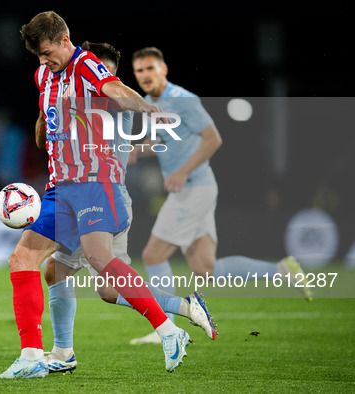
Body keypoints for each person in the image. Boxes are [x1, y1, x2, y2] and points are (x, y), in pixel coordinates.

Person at [0, 12, 190, 379]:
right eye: (38, 55)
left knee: (101, 263)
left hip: (96, 182)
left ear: (65, 39)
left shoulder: (86, 64)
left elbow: (115, 89)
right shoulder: (43, 75)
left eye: (48, 52)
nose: (43, 60)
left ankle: (169, 330)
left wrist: (148, 108)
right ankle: (33, 357)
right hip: (58, 188)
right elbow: (46, 122)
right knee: (21, 261)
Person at [41, 41, 216, 374]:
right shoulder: (90, 100)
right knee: (108, 288)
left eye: (102, 73)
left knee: (57, 269)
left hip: (99, 197)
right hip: (106, 196)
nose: (97, 78)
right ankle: (183, 306)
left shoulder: (105, 102)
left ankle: (64, 353)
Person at [128, 47, 313, 345]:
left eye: (150, 68)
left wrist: (183, 171)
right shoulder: (151, 102)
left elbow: (213, 139)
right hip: (198, 188)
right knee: (206, 269)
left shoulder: (184, 100)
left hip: (192, 188)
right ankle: (280, 269)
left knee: (152, 254)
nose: (144, 75)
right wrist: (140, 149)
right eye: (139, 71)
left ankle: (167, 326)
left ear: (164, 69)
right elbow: (164, 139)